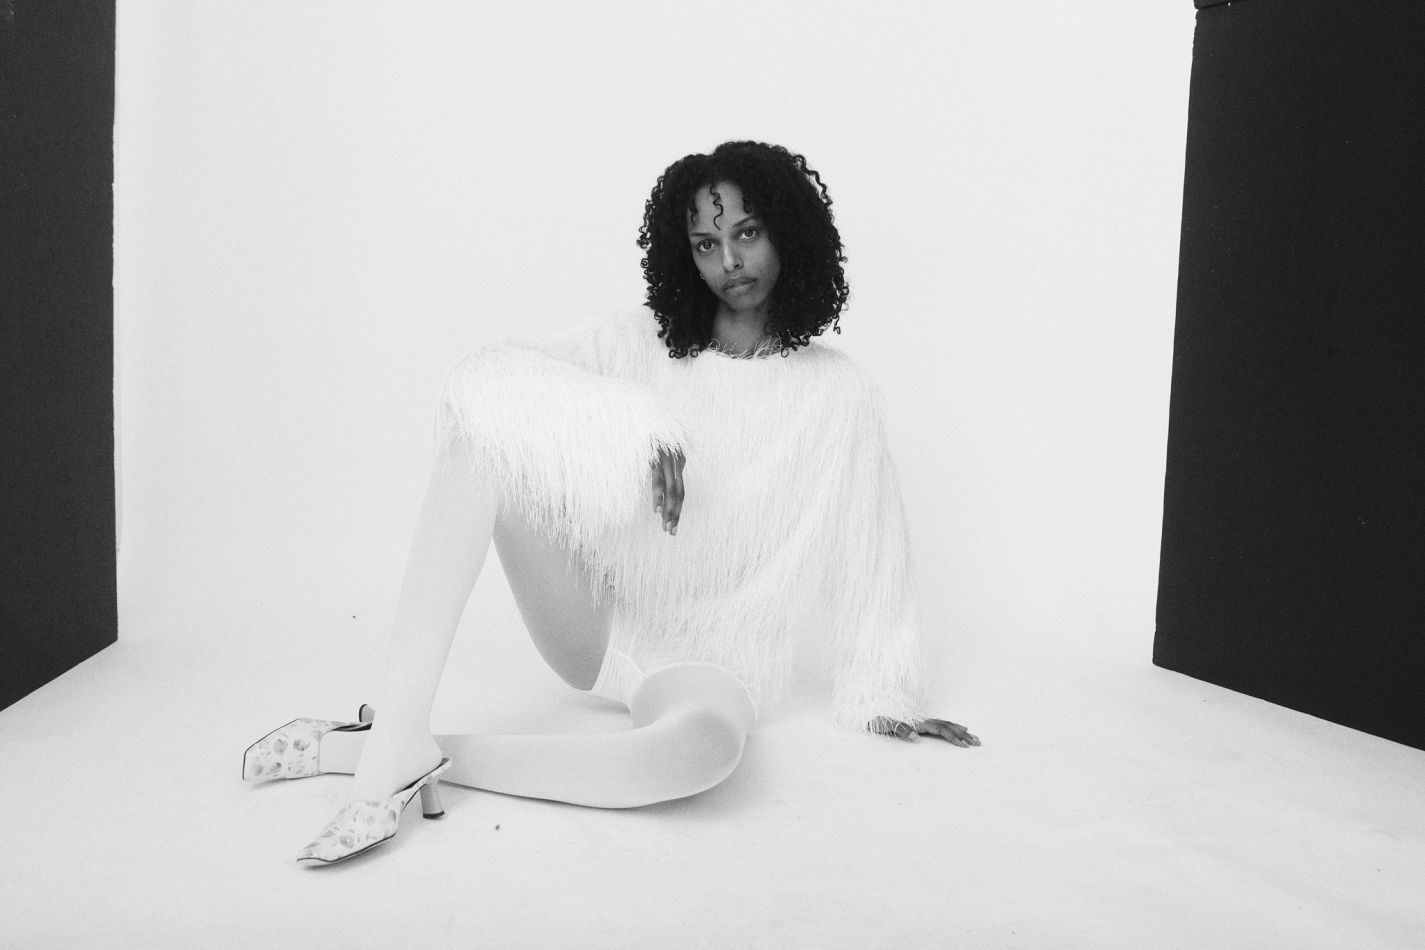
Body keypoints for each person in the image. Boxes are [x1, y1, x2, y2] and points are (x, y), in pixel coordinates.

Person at [242, 140, 979, 866]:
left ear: (788, 232)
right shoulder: (634, 344)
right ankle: (400, 723)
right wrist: (635, 423)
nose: (729, 260)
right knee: (479, 432)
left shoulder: (838, 393)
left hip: (713, 667)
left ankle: (380, 751)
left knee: (688, 762)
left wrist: (887, 697)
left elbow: (874, 550)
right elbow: (483, 376)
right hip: (595, 621)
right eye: (706, 244)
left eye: (747, 233)